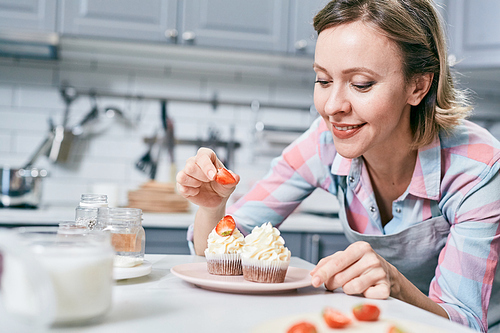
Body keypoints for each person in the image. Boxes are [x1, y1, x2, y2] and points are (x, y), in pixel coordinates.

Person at [176, 0, 500, 332]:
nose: (332, 107)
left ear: (417, 86)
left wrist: (397, 286)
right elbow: (212, 254)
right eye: (323, 80)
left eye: (361, 84)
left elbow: (466, 323)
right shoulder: (324, 143)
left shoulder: (477, 169)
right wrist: (214, 207)